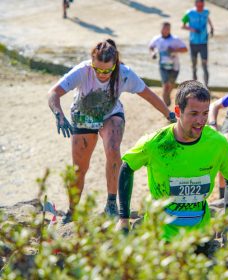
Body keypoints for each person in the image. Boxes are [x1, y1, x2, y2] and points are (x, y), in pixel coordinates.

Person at [48, 39, 175, 224]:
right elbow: (53, 93)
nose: (102, 74)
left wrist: (169, 114)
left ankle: (111, 204)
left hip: (111, 114)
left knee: (113, 149)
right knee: (79, 169)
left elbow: (148, 94)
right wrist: (58, 114)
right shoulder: (83, 71)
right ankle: (72, 211)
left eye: (107, 70)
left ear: (114, 65)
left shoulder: (124, 74)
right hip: (83, 117)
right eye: (97, 69)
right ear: (92, 62)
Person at [116, 80, 228, 241]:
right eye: (194, 113)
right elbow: (127, 167)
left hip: (199, 236)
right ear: (177, 111)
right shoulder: (156, 143)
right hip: (160, 234)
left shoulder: (219, 144)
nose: (201, 121)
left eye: (205, 113)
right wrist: (123, 219)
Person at [149, 22, 188, 107]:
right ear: (160, 29)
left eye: (167, 29)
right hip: (163, 66)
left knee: (171, 84)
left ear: (170, 29)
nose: (165, 30)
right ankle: (165, 105)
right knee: (165, 85)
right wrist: (152, 53)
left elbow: (185, 49)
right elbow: (151, 47)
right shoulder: (157, 39)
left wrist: (175, 50)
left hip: (174, 66)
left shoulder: (175, 39)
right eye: (163, 28)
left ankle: (167, 95)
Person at [182, 0, 214, 87]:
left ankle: (206, 86)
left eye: (202, 6)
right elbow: (183, 26)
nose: (200, 8)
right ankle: (194, 86)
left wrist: (211, 27)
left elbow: (207, 18)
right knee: (194, 65)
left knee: (205, 65)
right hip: (193, 42)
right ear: (195, 5)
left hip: (204, 42)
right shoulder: (189, 13)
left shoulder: (206, 12)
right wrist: (193, 30)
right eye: (199, 6)